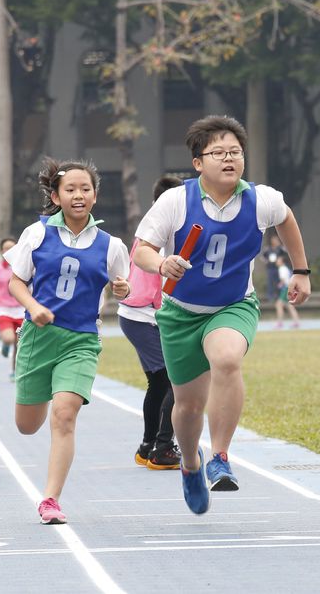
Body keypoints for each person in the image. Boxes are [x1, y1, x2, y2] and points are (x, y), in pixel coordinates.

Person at [133, 115, 311, 515]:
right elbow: (141, 248)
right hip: (181, 313)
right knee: (188, 408)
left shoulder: (262, 199)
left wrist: (301, 270)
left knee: (228, 359)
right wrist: (162, 264)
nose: (229, 159)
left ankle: (221, 456)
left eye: (235, 152)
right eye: (219, 153)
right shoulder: (177, 200)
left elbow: (287, 219)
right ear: (198, 162)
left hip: (233, 306)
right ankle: (191, 464)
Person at [4, 158, 130, 524]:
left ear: (95, 196)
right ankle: (40, 393)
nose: (79, 195)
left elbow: (123, 287)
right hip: (37, 339)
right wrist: (33, 307)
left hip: (81, 341)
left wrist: (122, 287)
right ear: (56, 197)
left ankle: (50, 500)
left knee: (64, 415)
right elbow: (16, 282)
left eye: (85, 189)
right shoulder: (37, 234)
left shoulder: (112, 245)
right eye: (70, 189)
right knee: (27, 425)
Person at [119, 174, 183, 471]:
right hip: (143, 314)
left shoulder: (162, 225)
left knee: (159, 382)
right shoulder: (161, 227)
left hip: (139, 315)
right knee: (175, 380)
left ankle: (148, 447)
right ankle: (162, 447)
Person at [0, 237, 23, 379]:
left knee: (20, 345)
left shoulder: (24, 266)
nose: (10, 250)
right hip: (3, 308)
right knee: (8, 338)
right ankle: (5, 345)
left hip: (21, 310)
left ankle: (14, 371)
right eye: (6, 248)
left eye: (12, 247)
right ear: (2, 251)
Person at [274, 254, 301, 329]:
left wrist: (279, 285)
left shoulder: (282, 268)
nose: (277, 261)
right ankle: (296, 322)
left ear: (282, 262)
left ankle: (280, 323)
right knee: (289, 305)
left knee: (278, 305)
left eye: (278, 260)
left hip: (285, 288)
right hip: (288, 288)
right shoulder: (285, 268)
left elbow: (283, 280)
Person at [261, 233, 284, 303]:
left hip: (278, 268)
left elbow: (285, 255)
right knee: (270, 282)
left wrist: (280, 259)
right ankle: (270, 297)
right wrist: (266, 261)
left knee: (279, 282)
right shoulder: (268, 249)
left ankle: (279, 296)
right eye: (273, 240)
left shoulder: (280, 249)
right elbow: (262, 257)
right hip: (270, 268)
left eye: (276, 240)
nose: (274, 241)